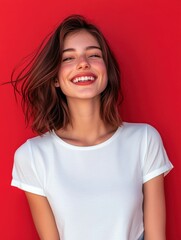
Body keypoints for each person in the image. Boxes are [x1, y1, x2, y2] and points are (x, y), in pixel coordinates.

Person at [11, 15, 173, 240]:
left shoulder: (144, 140)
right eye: (68, 58)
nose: (83, 63)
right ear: (55, 78)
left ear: (106, 71)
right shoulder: (33, 155)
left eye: (94, 55)